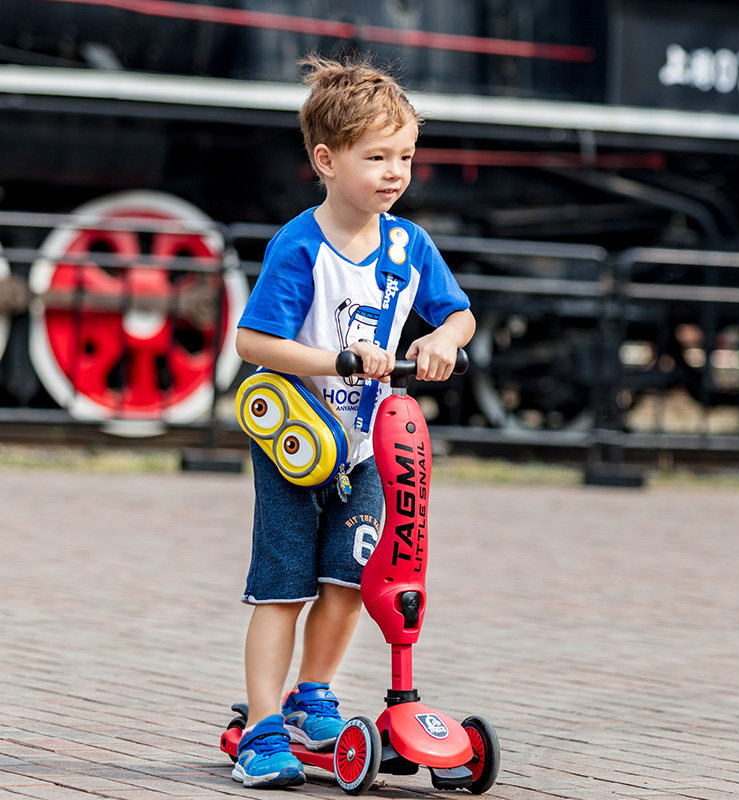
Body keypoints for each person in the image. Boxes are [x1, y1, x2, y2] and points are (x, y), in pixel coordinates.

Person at [232, 53, 476, 789]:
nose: (395, 171)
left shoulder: (409, 246)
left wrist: (440, 339)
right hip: (297, 444)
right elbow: (251, 344)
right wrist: (338, 360)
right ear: (327, 160)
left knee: (348, 581)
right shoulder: (300, 246)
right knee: (283, 587)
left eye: (405, 155)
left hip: (369, 447)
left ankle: (314, 697)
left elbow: (460, 314)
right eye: (377, 157)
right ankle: (262, 728)